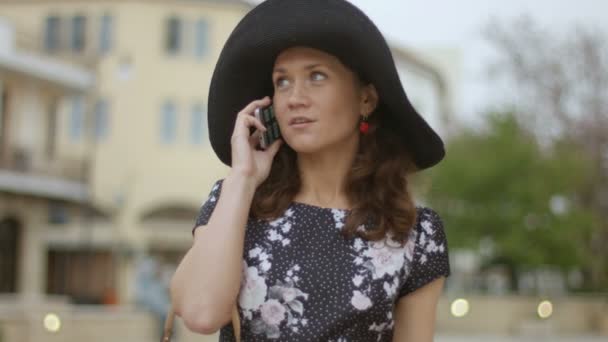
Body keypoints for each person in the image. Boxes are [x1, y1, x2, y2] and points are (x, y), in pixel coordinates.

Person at [170, 0, 450, 341]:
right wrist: (242, 178)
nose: (294, 98)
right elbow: (201, 314)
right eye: (282, 82)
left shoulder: (416, 233)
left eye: (316, 76)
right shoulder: (237, 202)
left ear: (366, 99)